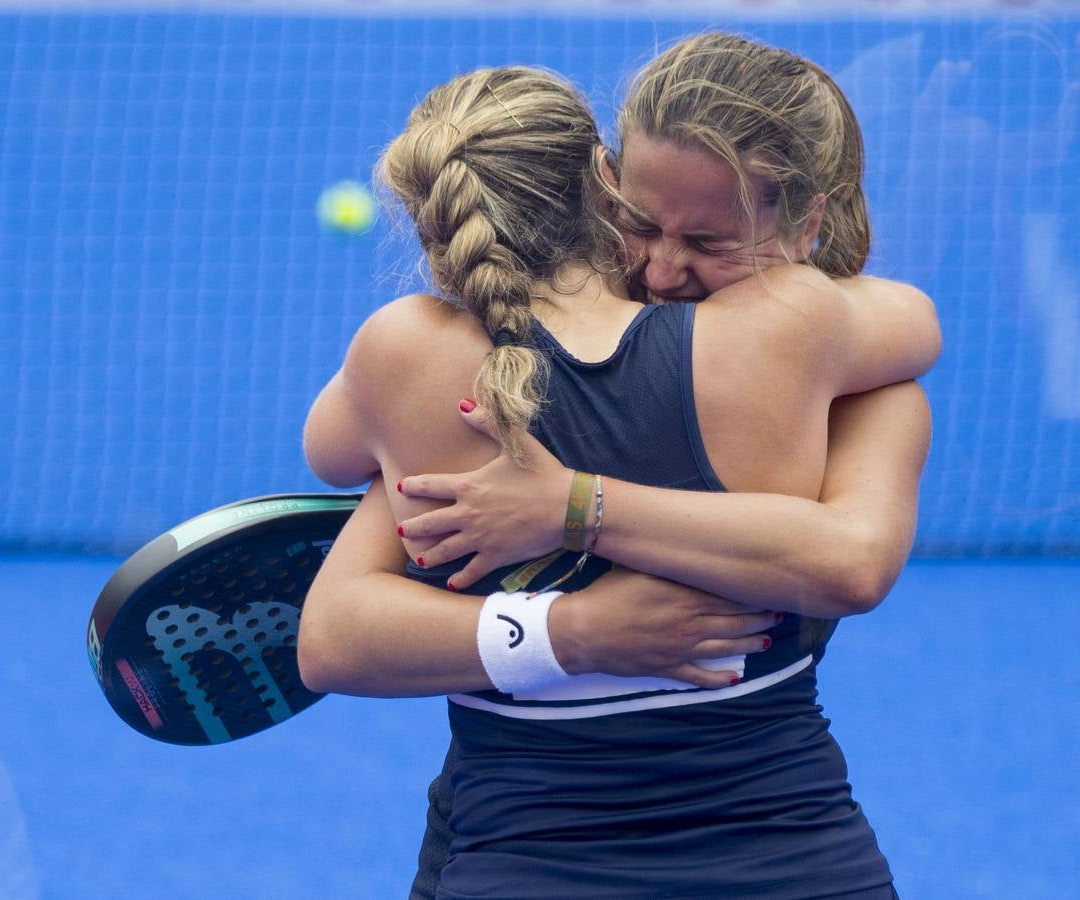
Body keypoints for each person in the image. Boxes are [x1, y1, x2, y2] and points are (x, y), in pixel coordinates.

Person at [300, 45, 936, 900]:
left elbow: (851, 565)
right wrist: (576, 632)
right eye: (643, 224)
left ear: (803, 225)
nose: (666, 268)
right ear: (602, 184)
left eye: (709, 241)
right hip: (769, 849)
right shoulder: (814, 336)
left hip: (534, 844)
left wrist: (571, 509)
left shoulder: (414, 368)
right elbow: (335, 637)